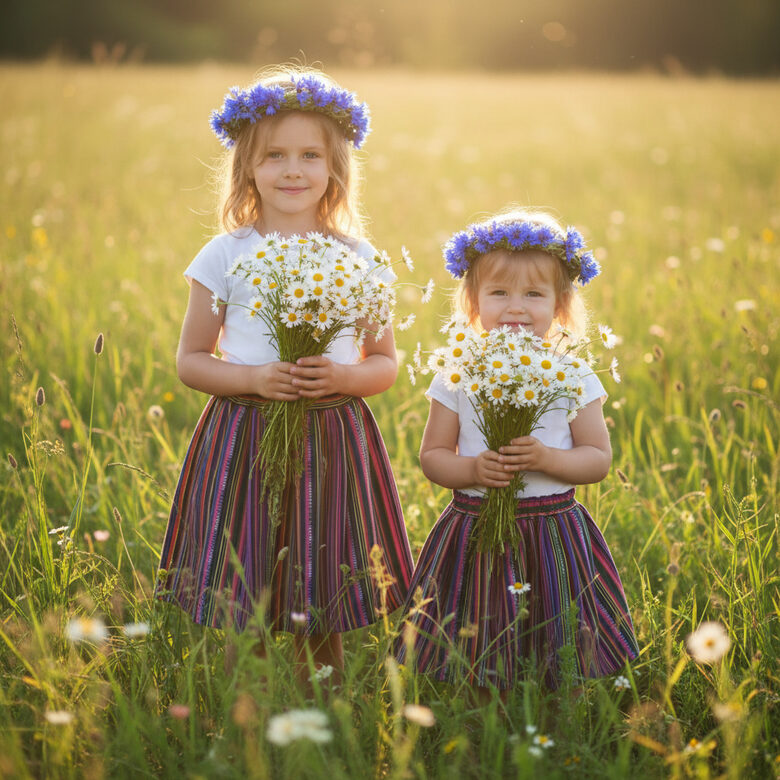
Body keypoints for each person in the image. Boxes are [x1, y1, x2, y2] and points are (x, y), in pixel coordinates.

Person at [155, 67, 414, 677]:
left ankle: (320, 700)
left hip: (331, 437)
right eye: (274, 155)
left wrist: (343, 379)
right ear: (247, 167)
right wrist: (254, 378)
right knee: (238, 583)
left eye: (309, 155)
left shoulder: (360, 259)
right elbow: (191, 360)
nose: (292, 170)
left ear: (334, 169)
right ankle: (239, 707)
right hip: (243, 433)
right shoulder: (224, 253)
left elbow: (384, 361)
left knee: (321, 578)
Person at [397, 209, 639, 691]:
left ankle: (556, 699)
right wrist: (472, 469)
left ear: (560, 305)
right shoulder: (456, 373)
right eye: (499, 293)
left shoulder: (573, 374)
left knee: (556, 623)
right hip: (477, 524)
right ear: (472, 302)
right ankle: (481, 698)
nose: (516, 307)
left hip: (551, 527)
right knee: (478, 624)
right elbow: (432, 457)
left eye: (534, 294)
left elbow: (597, 458)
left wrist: (548, 459)